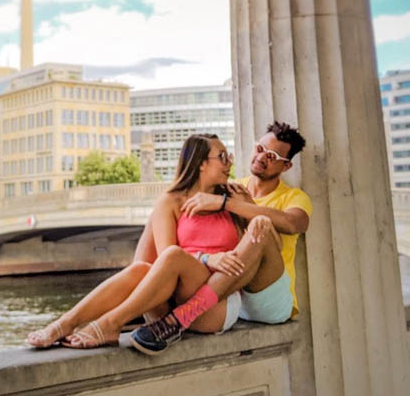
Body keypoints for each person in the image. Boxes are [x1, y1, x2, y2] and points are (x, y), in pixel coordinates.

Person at [26, 133, 279, 349]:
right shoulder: (169, 202)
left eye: (229, 157)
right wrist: (206, 257)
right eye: (222, 157)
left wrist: (241, 204)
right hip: (172, 302)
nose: (229, 163)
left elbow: (265, 243)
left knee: (171, 255)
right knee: (143, 268)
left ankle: (109, 324)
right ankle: (65, 323)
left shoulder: (233, 197)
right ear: (201, 163)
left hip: (215, 306)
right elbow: (164, 266)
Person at [129, 121, 310, 354]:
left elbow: (294, 223)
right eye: (260, 149)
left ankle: (179, 318)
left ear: (286, 166)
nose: (262, 157)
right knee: (158, 213)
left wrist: (228, 204)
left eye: (273, 156)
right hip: (230, 293)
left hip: (265, 293)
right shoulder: (232, 187)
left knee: (260, 226)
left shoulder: (292, 196)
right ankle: (135, 305)